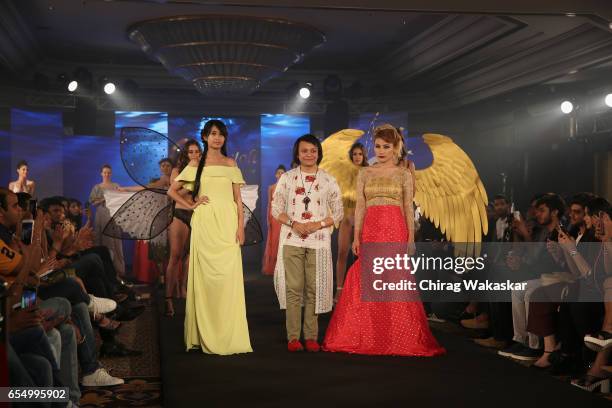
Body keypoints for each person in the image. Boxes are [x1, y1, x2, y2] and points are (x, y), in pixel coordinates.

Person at [323, 124, 445, 356]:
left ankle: (398, 336)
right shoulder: (365, 173)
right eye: (377, 146)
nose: (380, 151)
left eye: (386, 147)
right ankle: (367, 334)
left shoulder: (403, 174)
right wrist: (357, 237)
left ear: (395, 147)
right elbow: (360, 207)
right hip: (371, 229)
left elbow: (408, 208)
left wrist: (410, 239)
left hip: (396, 229)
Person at [167, 119, 252, 354]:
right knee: (205, 278)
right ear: (204, 137)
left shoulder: (230, 163)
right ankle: (204, 332)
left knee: (227, 278)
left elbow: (238, 200)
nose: (217, 138)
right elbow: (172, 191)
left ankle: (228, 333)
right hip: (205, 223)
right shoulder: (197, 163)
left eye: (221, 134)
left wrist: (241, 228)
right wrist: (191, 204)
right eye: (213, 134)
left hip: (227, 224)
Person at [272, 134, 344, 352]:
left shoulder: (328, 179)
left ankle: (311, 336)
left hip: (318, 241)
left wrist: (319, 224)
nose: (309, 154)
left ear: (318, 153)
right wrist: (294, 223)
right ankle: (293, 337)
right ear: (297, 153)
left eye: (313, 150)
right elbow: (276, 209)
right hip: (292, 238)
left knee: (313, 288)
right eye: (305, 151)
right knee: (294, 289)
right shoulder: (287, 178)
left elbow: (338, 212)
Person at [165, 140, 201, 316]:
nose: (194, 155)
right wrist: (189, 187)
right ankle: (168, 298)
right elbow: (173, 194)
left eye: (197, 152)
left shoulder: (203, 172)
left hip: (197, 216)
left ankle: (183, 287)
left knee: (190, 257)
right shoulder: (177, 171)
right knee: (175, 256)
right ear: (186, 155)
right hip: (180, 214)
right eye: (191, 152)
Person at [335, 143, 368, 301]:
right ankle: (339, 290)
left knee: (362, 257)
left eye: (360, 154)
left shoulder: (368, 173)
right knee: (342, 253)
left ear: (364, 156)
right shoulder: (345, 174)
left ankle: (361, 290)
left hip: (363, 219)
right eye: (354, 154)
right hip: (347, 218)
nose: (357, 157)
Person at [89, 164, 126, 277]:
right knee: (103, 241)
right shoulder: (97, 187)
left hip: (114, 214)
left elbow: (121, 200)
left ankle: (118, 271)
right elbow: (93, 202)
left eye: (109, 172)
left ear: (111, 173)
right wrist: (104, 198)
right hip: (102, 214)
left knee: (115, 242)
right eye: (105, 172)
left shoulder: (116, 186)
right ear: (101, 173)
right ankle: (105, 271)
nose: (107, 174)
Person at [262, 165, 286, 276]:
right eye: (279, 173)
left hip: (283, 217)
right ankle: (272, 267)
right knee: (273, 240)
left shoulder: (287, 188)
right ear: (276, 175)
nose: (280, 175)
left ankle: (282, 268)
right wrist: (268, 218)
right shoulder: (271, 187)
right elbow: (269, 204)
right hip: (274, 217)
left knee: (282, 241)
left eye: (282, 173)